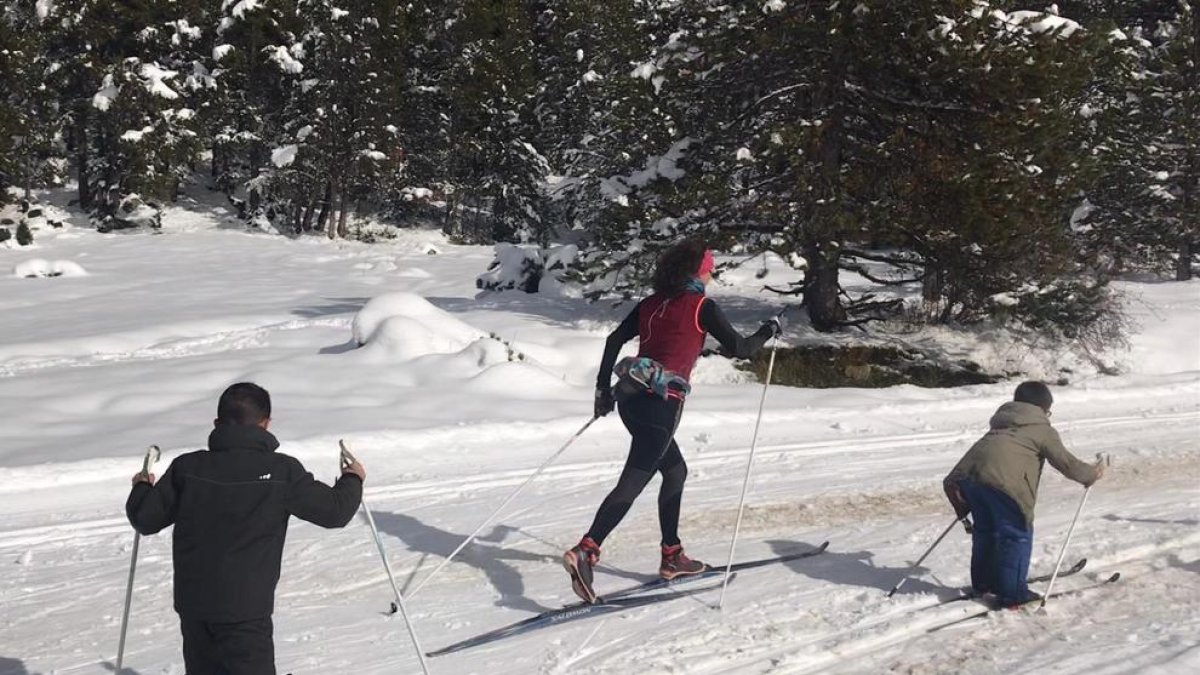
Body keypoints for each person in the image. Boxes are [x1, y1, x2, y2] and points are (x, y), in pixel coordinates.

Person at [562, 240, 783, 603]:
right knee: (634, 480)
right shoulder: (701, 305)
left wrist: (602, 390)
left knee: (675, 471)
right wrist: (768, 330)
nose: (711, 273)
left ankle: (672, 555)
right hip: (662, 405)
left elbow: (615, 339)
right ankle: (587, 549)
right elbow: (741, 349)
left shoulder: (651, 304)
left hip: (630, 400)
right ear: (697, 271)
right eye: (709, 267)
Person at [125, 383, 365, 675]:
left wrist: (141, 485)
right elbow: (335, 512)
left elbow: (144, 518)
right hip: (246, 612)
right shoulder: (281, 471)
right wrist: (353, 478)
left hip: (195, 607)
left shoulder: (187, 468)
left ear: (217, 423)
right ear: (266, 424)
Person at [943, 381, 1105, 607]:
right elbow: (1067, 464)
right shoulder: (1041, 429)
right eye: (1048, 410)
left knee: (986, 532)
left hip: (970, 482)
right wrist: (1092, 474)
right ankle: (1012, 594)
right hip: (1005, 488)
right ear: (1042, 408)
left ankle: (984, 584)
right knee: (1015, 535)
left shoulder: (1001, 425)